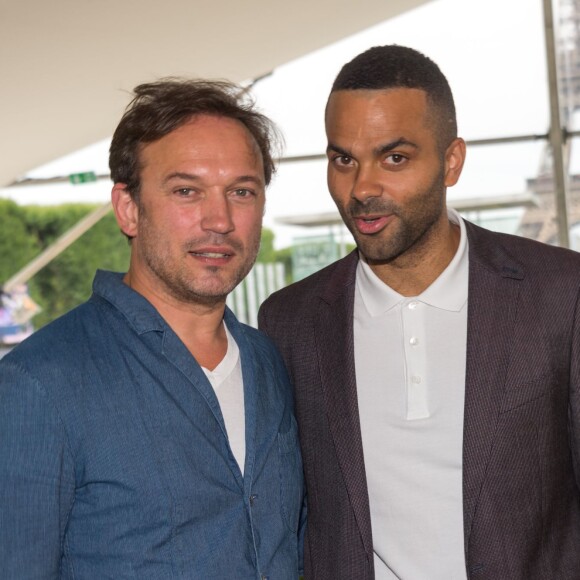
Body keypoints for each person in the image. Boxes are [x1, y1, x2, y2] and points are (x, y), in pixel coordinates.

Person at [258, 45, 580, 579]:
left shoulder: (561, 294)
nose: (362, 188)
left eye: (395, 158)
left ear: (451, 161)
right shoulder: (289, 322)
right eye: (343, 159)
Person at [0, 79, 305, 578]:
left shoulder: (267, 361)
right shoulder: (38, 384)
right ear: (128, 209)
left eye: (242, 192)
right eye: (187, 191)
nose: (220, 219)